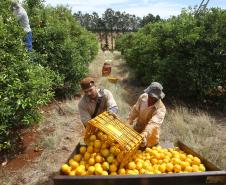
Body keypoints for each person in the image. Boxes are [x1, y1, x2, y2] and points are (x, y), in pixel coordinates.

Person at [127, 82, 166, 148]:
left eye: (154, 98)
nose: (151, 99)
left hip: (150, 138)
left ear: (158, 97)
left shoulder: (161, 109)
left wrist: (144, 134)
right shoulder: (143, 97)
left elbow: (153, 124)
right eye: (150, 96)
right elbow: (135, 110)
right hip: (137, 130)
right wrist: (129, 121)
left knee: (145, 155)